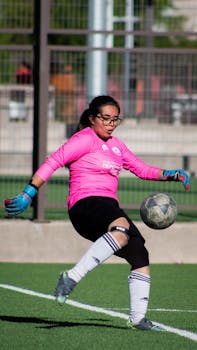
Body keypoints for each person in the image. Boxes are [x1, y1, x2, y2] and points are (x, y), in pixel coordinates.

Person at [5, 95, 190, 331]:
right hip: (84, 204)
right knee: (121, 228)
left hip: (107, 207)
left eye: (115, 120)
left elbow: (141, 169)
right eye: (105, 118)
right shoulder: (83, 139)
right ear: (92, 118)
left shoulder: (117, 145)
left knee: (139, 254)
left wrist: (171, 174)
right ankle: (71, 277)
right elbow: (53, 161)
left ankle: (138, 319)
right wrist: (28, 193)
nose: (111, 124)